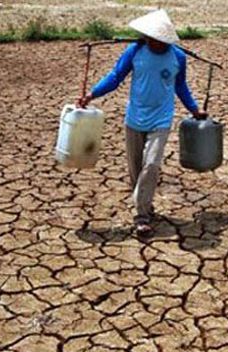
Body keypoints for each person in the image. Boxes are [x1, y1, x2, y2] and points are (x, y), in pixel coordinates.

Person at [78, 9, 206, 237]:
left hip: (162, 118)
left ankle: (141, 216)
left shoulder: (177, 57)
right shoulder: (135, 51)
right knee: (136, 169)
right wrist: (92, 94)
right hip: (135, 118)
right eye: (151, 38)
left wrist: (194, 109)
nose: (154, 42)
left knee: (152, 164)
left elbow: (180, 86)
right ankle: (146, 205)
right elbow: (116, 77)